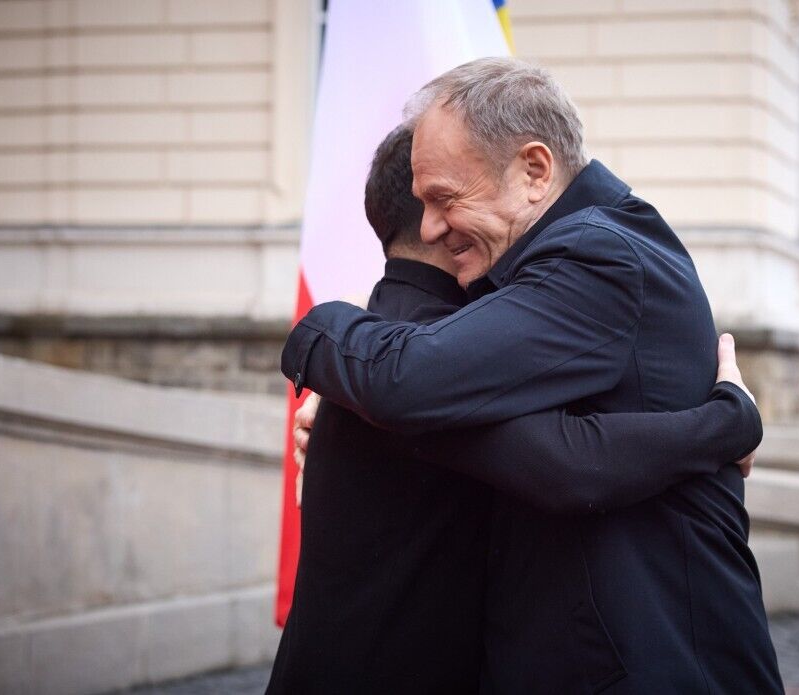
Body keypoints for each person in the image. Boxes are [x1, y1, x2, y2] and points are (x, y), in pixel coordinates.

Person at [268, 125, 763, 694]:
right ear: (435, 226)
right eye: (438, 199)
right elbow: (566, 464)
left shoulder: (383, 351)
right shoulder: (420, 365)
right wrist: (729, 421)